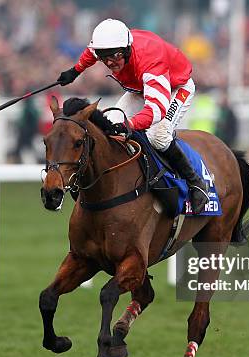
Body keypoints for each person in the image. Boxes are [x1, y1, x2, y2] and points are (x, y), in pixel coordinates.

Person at [57, 19, 209, 213]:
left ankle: (196, 183)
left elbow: (155, 110)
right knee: (109, 123)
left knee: (157, 136)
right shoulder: (111, 47)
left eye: (116, 56)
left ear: (127, 49)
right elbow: (92, 52)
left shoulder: (150, 59)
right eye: (105, 58)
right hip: (141, 88)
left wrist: (129, 125)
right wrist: (75, 70)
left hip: (175, 87)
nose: (111, 62)